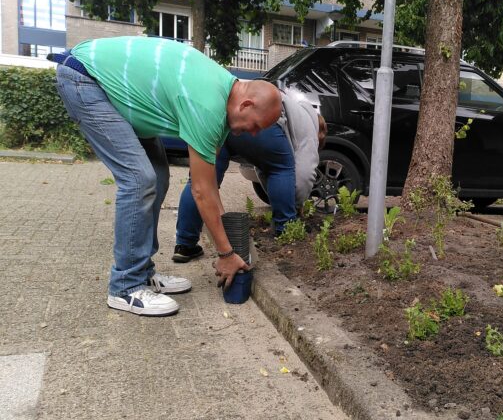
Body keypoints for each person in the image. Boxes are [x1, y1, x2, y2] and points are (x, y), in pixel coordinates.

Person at [52, 36, 282, 316]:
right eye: (256, 126)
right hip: (86, 79)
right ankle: (125, 286)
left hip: (118, 89)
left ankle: (142, 272)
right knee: (140, 180)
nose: (255, 134)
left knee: (158, 179)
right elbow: (200, 191)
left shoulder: (223, 101)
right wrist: (225, 255)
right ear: (245, 105)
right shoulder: (208, 105)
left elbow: (209, 188)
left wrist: (232, 248)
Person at [173, 92, 326, 263]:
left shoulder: (296, 112)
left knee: (201, 181)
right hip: (258, 117)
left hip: (220, 114)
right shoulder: (311, 128)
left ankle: (185, 245)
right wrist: (296, 203)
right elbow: (304, 175)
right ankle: (286, 231)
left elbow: (262, 168)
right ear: (322, 133)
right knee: (281, 167)